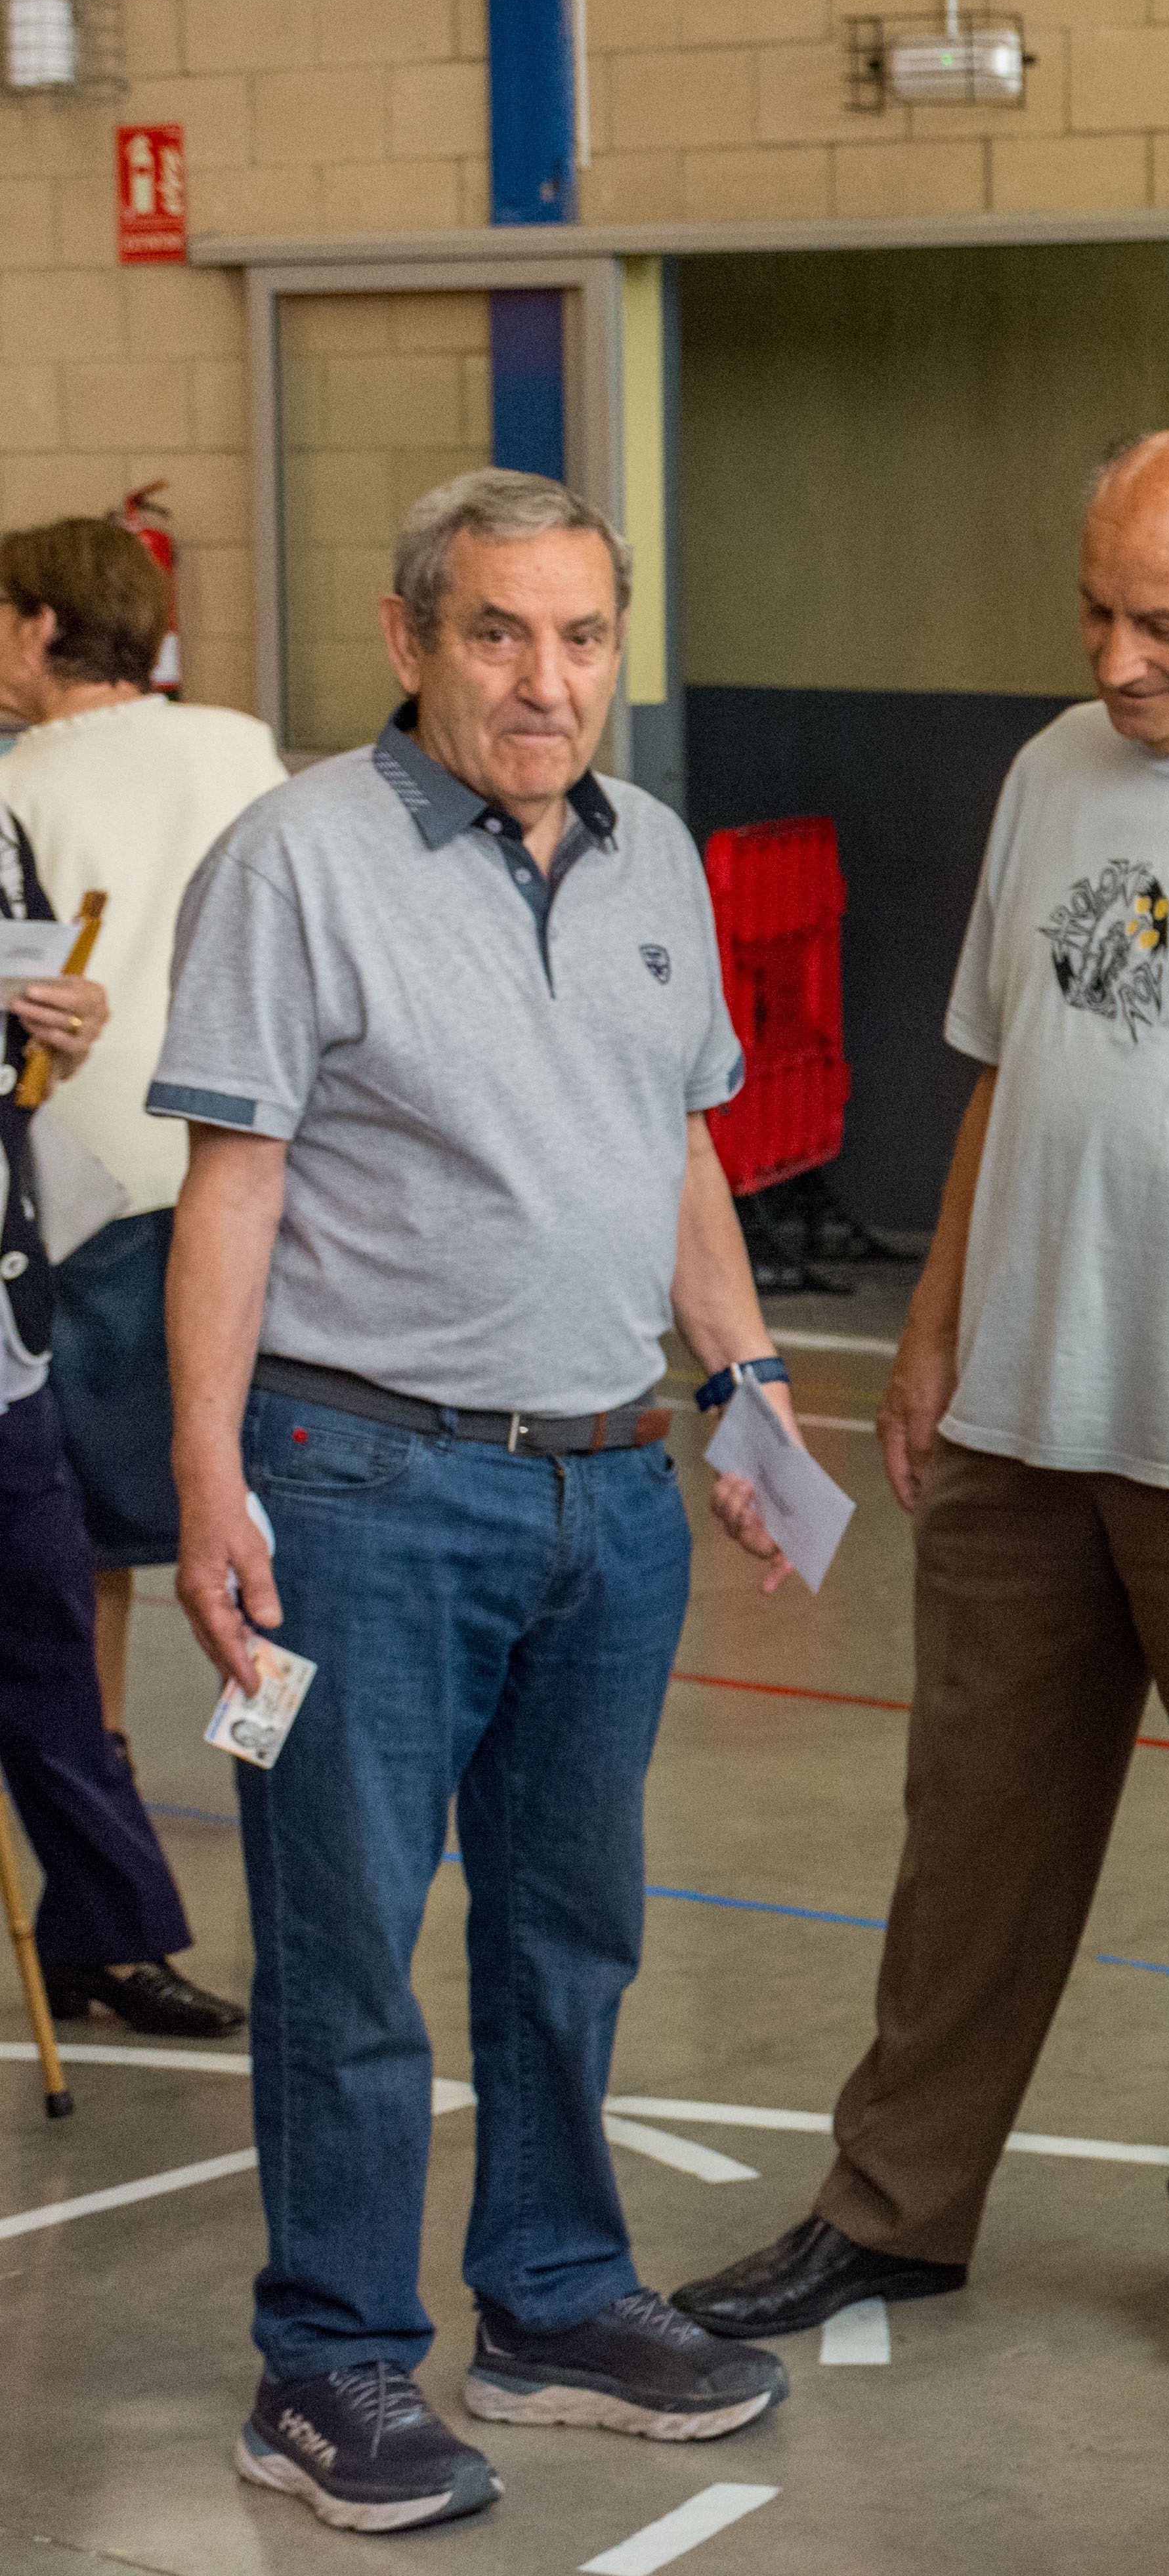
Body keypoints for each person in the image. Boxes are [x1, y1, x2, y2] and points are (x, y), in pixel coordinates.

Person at [672, 431, 1169, 2368]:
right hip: (1030, 1408)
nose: (1116, 656)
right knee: (970, 1839)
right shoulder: (1047, 772)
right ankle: (893, 2204)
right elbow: (1004, 1069)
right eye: (1095, 611)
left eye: (1160, 622)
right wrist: (936, 1327)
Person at [150, 469, 799, 2535]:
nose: (548, 680)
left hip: (604, 1487)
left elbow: (675, 1148)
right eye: (502, 634)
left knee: (569, 1928)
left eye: (585, 637)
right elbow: (231, 1182)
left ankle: (552, 2295)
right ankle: (327, 2362)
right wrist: (205, 1476)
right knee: (349, 1948)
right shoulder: (296, 861)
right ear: (411, 634)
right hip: (359, 1481)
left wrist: (755, 1383)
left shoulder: (657, 859)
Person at [0, 515, 287, 1817]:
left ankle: (100, 1806)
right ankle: (276, 1763)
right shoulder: (239, 743)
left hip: (98, 1192)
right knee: (265, 1514)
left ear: (43, 625)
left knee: (88, 1549)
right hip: (257, 1172)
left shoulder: (18, 787)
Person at [1, 818, 222, 2043]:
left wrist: (62, 1029)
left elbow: (33, 1054)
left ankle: (108, 1936)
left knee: (51, 1646)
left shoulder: (1, 823)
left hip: (9, 1331)